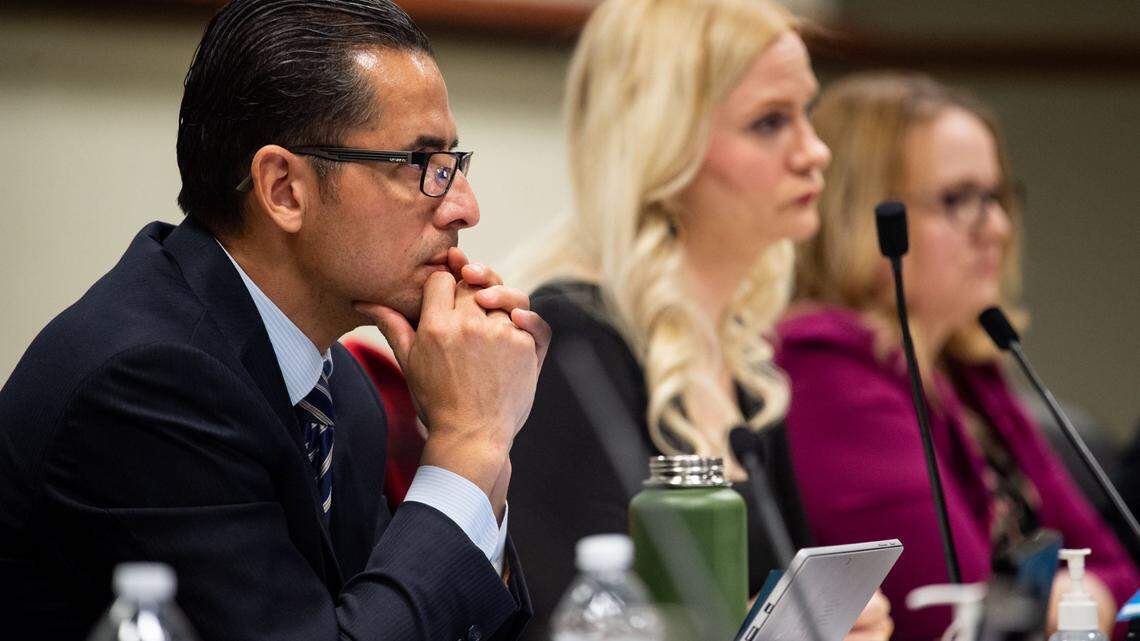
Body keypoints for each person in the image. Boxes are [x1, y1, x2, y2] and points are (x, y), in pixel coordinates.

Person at [0, 1, 551, 639]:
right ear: (284, 188)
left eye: (454, 162)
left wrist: (485, 451)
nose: (465, 208)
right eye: (420, 164)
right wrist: (468, 443)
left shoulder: (339, 392)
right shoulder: (149, 384)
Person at [507, 1, 889, 639]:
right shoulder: (570, 342)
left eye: (807, 113)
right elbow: (577, 619)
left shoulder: (743, 358)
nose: (815, 152)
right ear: (660, 142)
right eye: (770, 122)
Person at [777, 71, 1140, 641]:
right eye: (959, 199)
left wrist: (1069, 605)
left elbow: (1121, 574)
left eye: (996, 197)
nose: (997, 227)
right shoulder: (824, 371)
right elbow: (950, 611)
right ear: (863, 217)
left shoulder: (965, 369)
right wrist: (1072, 602)